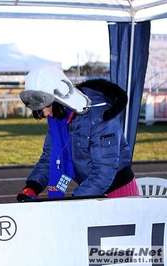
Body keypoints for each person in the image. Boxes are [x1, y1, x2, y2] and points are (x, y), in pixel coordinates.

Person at [16, 65, 139, 201]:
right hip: (90, 192)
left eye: (48, 106)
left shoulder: (98, 116)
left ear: (61, 96)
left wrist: (75, 201)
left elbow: (104, 172)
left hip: (117, 194)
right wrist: (32, 186)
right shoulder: (57, 118)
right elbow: (50, 158)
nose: (45, 113)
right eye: (40, 109)